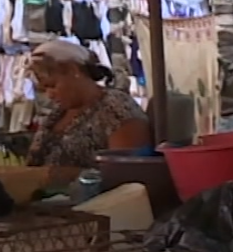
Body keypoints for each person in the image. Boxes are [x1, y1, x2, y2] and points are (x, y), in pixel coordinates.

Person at [26, 41, 150, 179]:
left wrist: (55, 175)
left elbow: (126, 174)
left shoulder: (117, 109)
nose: (50, 94)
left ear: (74, 70)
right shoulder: (59, 112)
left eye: (53, 85)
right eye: (44, 89)